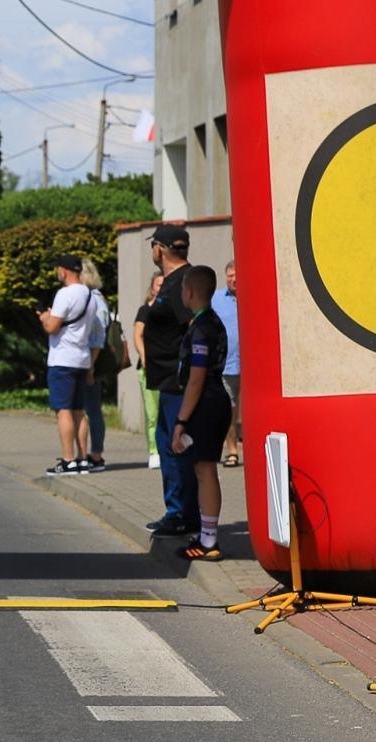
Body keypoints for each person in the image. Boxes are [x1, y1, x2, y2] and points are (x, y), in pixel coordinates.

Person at [169, 265, 233, 561]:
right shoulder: (210, 322)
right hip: (214, 399)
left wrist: (181, 420)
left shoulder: (202, 327)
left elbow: (196, 377)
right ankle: (207, 534)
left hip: (206, 403)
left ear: (190, 291)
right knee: (203, 469)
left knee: (206, 471)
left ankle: (208, 542)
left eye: (183, 288)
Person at [139, 224, 197, 538]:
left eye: (152, 247)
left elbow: (193, 328)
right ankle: (177, 512)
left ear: (160, 249)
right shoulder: (175, 281)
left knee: (178, 449)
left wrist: (189, 372)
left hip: (178, 383)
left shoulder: (179, 284)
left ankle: (182, 516)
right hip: (167, 381)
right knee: (168, 445)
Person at [38, 254, 94, 477]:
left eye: (58, 269)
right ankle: (82, 459)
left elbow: (52, 327)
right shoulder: (89, 294)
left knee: (63, 410)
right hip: (82, 358)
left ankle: (68, 459)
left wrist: (44, 316)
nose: (56, 273)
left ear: (65, 270)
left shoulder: (65, 294)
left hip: (63, 358)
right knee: (80, 410)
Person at [74, 258, 111, 470]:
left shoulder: (94, 300)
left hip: (91, 363)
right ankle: (87, 453)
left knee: (92, 409)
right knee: (86, 408)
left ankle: (96, 454)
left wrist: (91, 366)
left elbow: (98, 336)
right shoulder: (89, 298)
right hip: (86, 361)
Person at [130, 275, 163, 470]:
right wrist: (144, 357)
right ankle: (154, 451)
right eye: (159, 285)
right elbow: (137, 335)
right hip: (149, 369)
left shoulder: (172, 309)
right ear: (152, 288)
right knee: (153, 413)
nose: (162, 288)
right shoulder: (145, 310)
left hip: (167, 367)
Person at [211, 260, 241, 467]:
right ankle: (232, 450)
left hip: (254, 367)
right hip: (227, 364)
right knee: (228, 408)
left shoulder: (253, 294)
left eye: (236, 274)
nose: (233, 279)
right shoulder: (216, 299)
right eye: (229, 275)